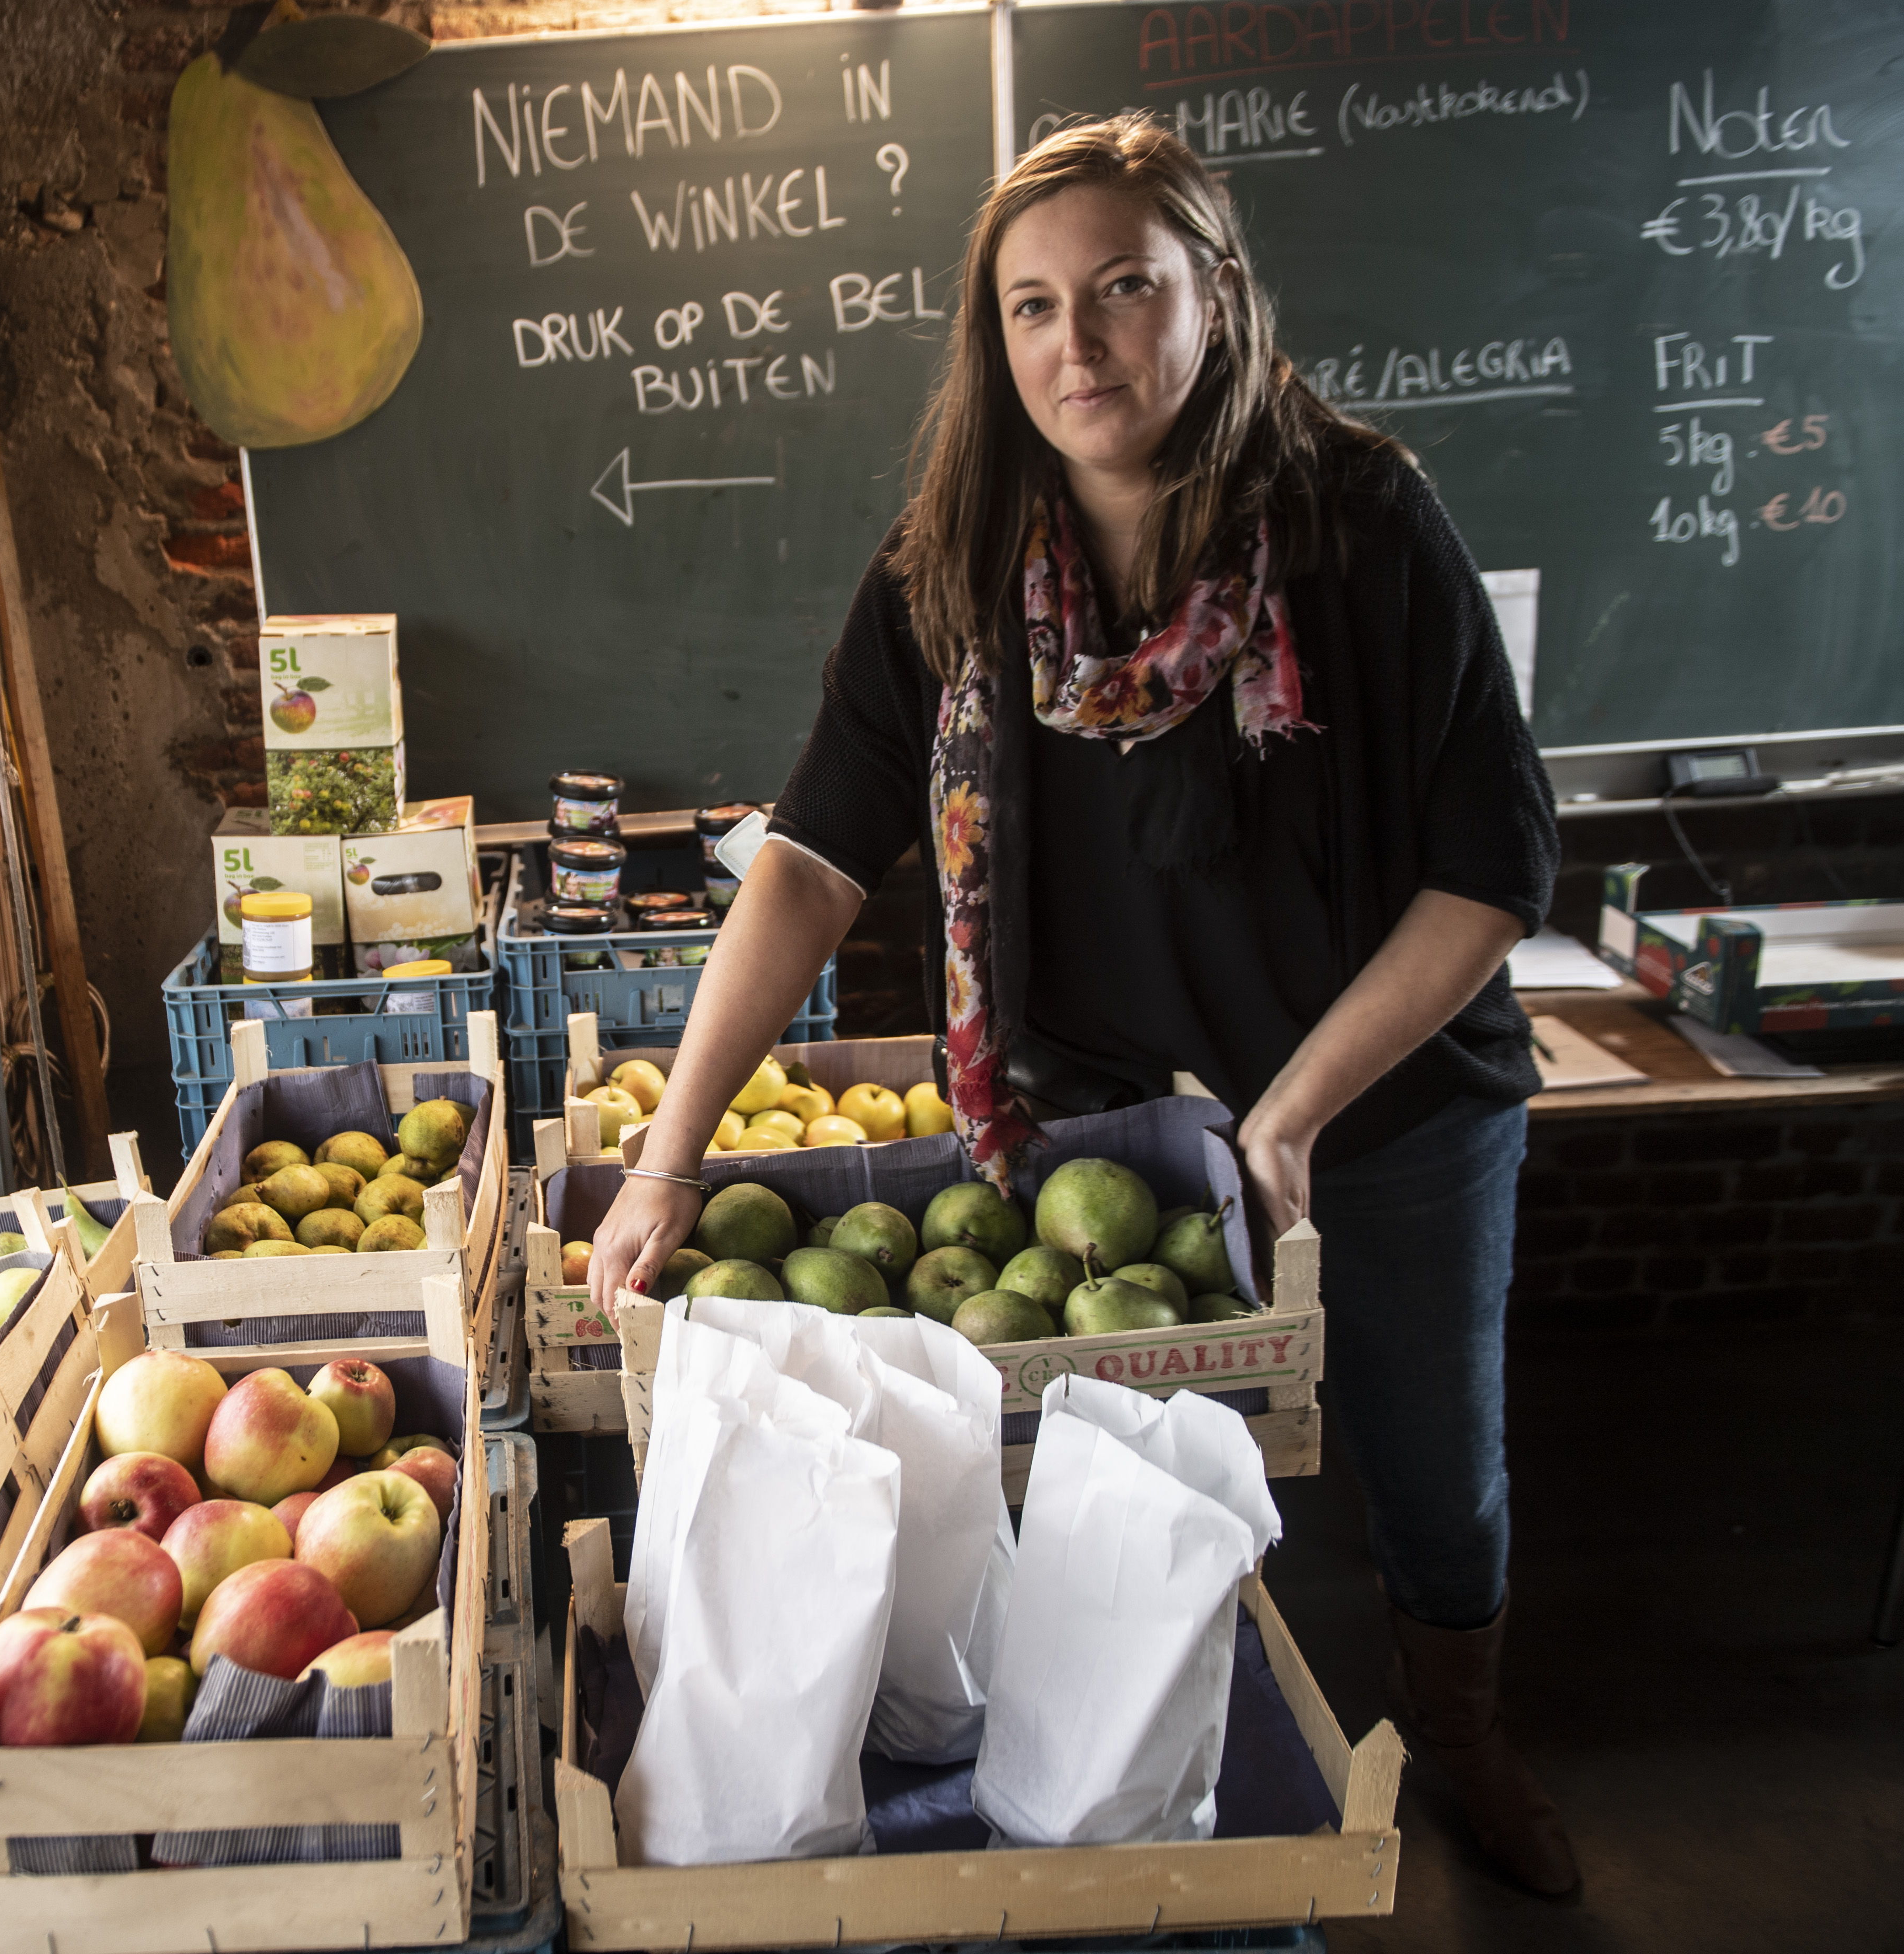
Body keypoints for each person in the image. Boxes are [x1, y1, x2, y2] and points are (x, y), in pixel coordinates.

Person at [582, 112, 1573, 1895]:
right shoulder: (952, 567)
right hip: (1110, 1122)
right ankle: (1116, 1791)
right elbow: (811, 860)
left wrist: (1294, 1112)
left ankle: (1469, 1742)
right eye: (1033, 306)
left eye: (1125, 289)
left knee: (1435, 1469)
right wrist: (667, 1157)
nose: (1078, 343)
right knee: (1099, 1471)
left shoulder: (1357, 529)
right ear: (995, 338)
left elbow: (1490, 872)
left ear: (1218, 298)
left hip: (1394, 1108)